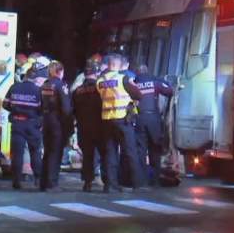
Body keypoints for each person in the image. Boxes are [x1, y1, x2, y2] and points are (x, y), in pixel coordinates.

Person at [96, 54, 144, 192]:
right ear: (118, 66)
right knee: (130, 151)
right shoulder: (123, 78)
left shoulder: (100, 81)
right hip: (123, 119)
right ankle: (136, 184)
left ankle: (110, 185)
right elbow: (138, 95)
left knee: (110, 153)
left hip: (107, 119)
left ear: (109, 65)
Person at [3, 63, 44, 189]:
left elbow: (5, 104)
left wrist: (15, 110)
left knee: (17, 154)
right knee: (35, 152)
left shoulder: (14, 87)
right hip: (32, 125)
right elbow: (42, 109)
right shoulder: (38, 91)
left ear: (25, 76)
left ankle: (16, 181)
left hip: (17, 123)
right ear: (35, 79)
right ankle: (38, 179)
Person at [134, 64, 174, 186]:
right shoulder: (154, 83)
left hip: (139, 118)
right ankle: (155, 180)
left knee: (141, 150)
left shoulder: (134, 83)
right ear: (147, 72)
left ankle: (142, 180)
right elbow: (170, 91)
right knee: (155, 149)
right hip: (153, 119)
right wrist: (163, 81)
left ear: (137, 73)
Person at [72, 59, 104, 192]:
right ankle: (104, 180)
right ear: (96, 73)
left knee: (87, 154)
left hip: (83, 126)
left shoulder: (77, 90)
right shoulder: (100, 89)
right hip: (99, 126)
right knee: (102, 153)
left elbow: (73, 110)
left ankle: (87, 181)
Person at [40, 61, 72, 191]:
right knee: (55, 152)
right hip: (57, 122)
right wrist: (68, 125)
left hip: (45, 120)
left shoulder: (45, 84)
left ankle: (43, 182)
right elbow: (66, 108)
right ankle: (52, 183)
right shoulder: (61, 85)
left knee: (47, 152)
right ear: (60, 71)